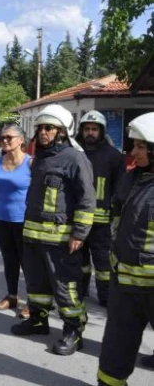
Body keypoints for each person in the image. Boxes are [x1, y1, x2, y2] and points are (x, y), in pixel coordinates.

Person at [10, 104, 96, 357]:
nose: (43, 132)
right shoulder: (42, 158)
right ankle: (38, 320)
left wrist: (79, 233)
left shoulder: (75, 158)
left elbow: (86, 199)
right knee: (36, 284)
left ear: (61, 131)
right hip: (34, 237)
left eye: (49, 128)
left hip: (60, 239)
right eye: (40, 127)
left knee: (65, 287)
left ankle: (74, 330)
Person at [96, 113, 154, 385]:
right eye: (135, 145)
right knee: (116, 347)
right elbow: (117, 221)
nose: (134, 152)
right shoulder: (132, 179)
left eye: (141, 147)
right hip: (125, 283)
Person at [74, 110, 124, 307]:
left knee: (103, 264)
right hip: (77, 219)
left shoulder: (114, 157)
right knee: (80, 261)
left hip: (102, 223)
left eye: (94, 129)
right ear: (81, 130)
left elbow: (120, 189)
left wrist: (116, 216)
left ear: (101, 132)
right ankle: (80, 290)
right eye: (87, 129)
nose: (90, 133)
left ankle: (105, 297)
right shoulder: (74, 153)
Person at [0, 124, 31, 318]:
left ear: (21, 140)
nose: (4, 140)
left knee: (28, 262)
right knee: (9, 260)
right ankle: (12, 296)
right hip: (0, 219)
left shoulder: (31, 164)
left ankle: (33, 301)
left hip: (23, 220)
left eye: (9, 137)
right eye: (2, 137)